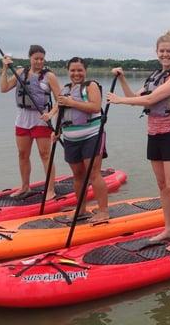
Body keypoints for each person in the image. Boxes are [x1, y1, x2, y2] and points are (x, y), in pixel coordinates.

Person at [107, 30, 170, 252]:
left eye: (169, 51)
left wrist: (118, 100)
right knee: (162, 185)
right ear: (157, 52)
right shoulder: (155, 76)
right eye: (162, 51)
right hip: (154, 134)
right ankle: (168, 229)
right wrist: (122, 79)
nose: (165, 54)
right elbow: (137, 98)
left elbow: (152, 98)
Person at [0, 45, 61, 199]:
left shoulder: (49, 76)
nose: (39, 62)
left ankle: (50, 189)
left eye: (42, 59)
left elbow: (61, 100)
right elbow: (4, 88)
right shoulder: (20, 72)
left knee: (45, 155)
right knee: (22, 154)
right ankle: (25, 187)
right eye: (36, 59)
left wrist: (51, 113)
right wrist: (5, 69)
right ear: (30, 58)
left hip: (41, 120)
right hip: (22, 119)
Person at [52, 57, 109, 222]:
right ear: (68, 71)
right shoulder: (65, 89)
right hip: (70, 137)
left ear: (85, 71)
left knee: (94, 173)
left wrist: (72, 102)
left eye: (79, 70)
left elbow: (95, 107)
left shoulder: (91, 86)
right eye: (73, 70)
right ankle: (82, 209)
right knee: (77, 175)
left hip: (92, 135)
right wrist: (57, 131)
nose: (76, 73)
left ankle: (103, 211)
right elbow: (62, 112)